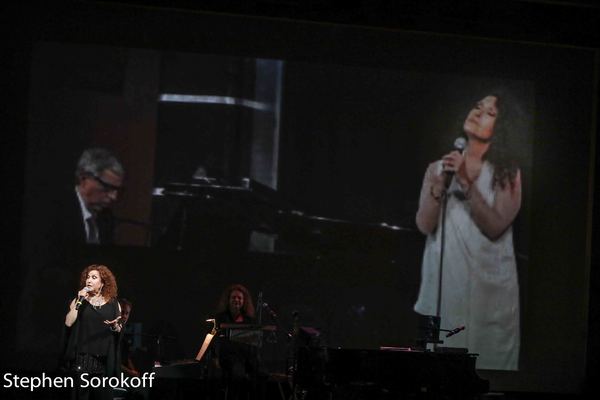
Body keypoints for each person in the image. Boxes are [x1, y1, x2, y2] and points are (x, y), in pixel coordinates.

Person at [414, 93, 522, 370]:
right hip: (444, 296)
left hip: (489, 300)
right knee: (436, 373)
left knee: (484, 374)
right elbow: (425, 225)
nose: (478, 112)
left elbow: (496, 226)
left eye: (490, 112)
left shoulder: (507, 172)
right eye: (477, 106)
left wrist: (463, 180)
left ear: (501, 127)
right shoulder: (437, 168)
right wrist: (439, 185)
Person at [63, 264, 123, 400]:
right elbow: (68, 322)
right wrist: (79, 301)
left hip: (103, 361)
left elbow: (118, 330)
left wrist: (114, 326)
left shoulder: (113, 304)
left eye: (94, 277)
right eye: (88, 277)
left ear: (102, 283)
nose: (89, 280)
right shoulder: (79, 301)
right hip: (83, 360)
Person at [214, 284, 261, 399]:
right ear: (228, 300)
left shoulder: (249, 320)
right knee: (237, 374)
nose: (236, 300)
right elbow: (216, 340)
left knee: (262, 373)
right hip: (229, 357)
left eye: (239, 298)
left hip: (246, 356)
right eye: (234, 297)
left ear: (244, 301)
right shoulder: (221, 318)